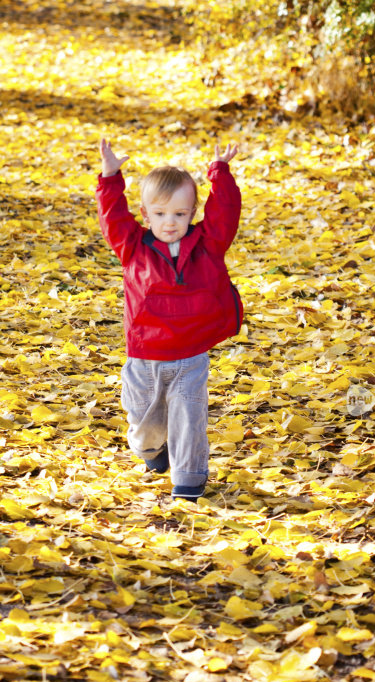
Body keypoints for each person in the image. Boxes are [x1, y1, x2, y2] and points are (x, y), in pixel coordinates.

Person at [96, 138, 243, 501]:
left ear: (192, 212)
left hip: (189, 356)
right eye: (160, 214)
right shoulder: (133, 248)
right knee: (144, 429)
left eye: (180, 214)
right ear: (145, 214)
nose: (171, 223)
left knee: (188, 420)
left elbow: (225, 214)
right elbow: (112, 217)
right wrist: (111, 176)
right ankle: (151, 453)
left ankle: (189, 482)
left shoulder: (207, 246)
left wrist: (220, 174)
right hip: (144, 358)